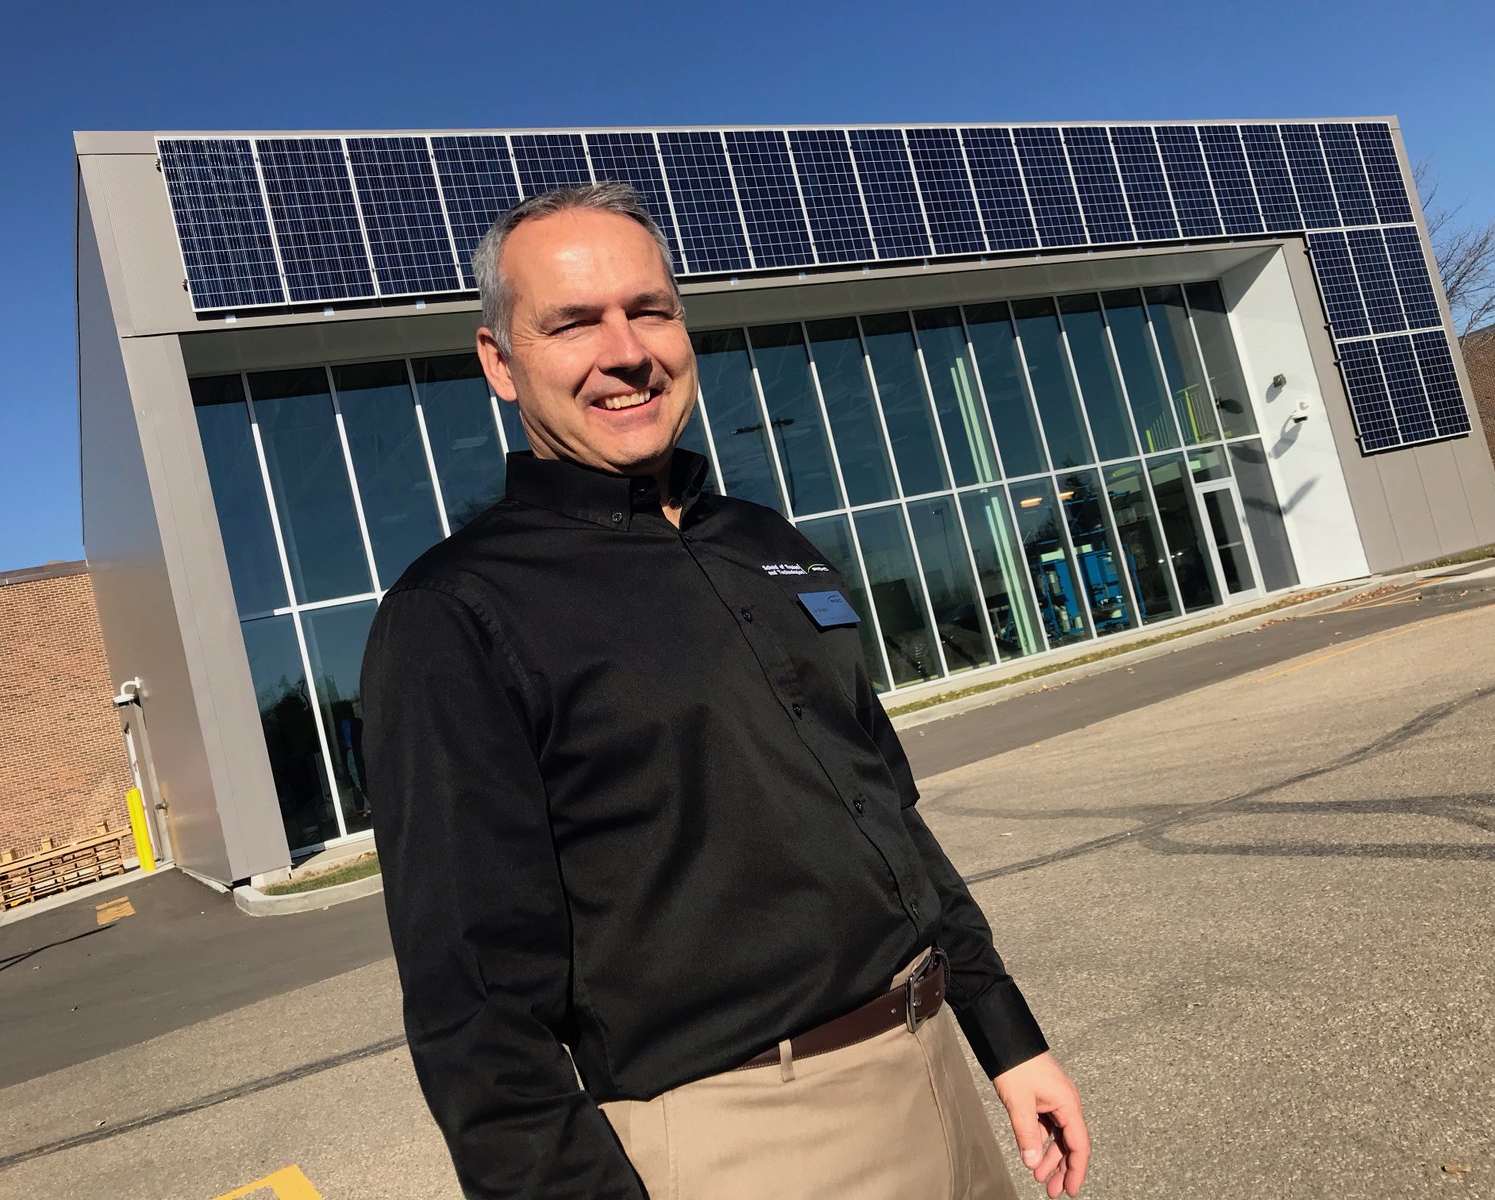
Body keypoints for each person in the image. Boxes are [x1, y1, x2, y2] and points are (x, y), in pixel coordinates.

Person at [362, 182, 1089, 1200]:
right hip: (743, 1139)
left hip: (934, 1077)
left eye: (648, 309)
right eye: (573, 323)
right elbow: (474, 1012)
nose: (626, 351)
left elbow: (885, 812)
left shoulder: (766, 545)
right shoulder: (457, 615)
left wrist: (1005, 1035)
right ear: (500, 362)